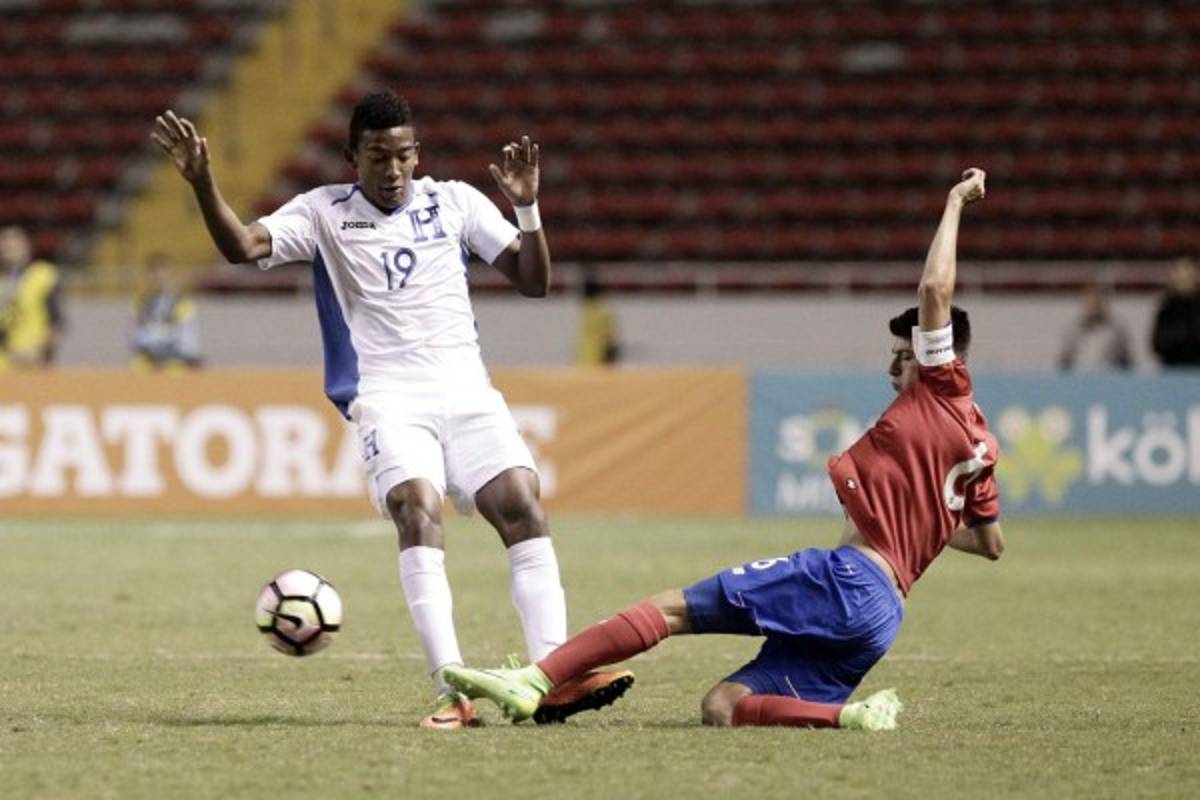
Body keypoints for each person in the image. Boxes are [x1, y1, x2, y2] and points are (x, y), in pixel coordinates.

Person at [445, 169, 1005, 731]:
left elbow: (935, 290)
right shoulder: (981, 443)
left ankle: (535, 680)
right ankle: (851, 717)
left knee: (671, 608)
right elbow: (989, 542)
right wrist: (925, 518)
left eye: (903, 355)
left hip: (846, 580)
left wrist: (956, 202)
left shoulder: (941, 385)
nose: (894, 364)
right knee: (723, 706)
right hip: (883, 615)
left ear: (936, 354)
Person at [151, 92, 629, 730]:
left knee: (523, 505)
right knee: (416, 509)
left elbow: (533, 280)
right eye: (378, 156)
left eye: (404, 155)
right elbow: (242, 247)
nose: (393, 169)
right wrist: (205, 183)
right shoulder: (323, 212)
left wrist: (527, 205)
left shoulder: (455, 201)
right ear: (353, 158)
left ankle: (551, 676)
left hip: (466, 390)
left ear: (417, 155)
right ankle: (449, 690)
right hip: (388, 395)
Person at [0, 225, 65, 370]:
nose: (8, 252)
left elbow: (57, 322)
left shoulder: (43, 275)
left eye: (13, 246)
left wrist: (42, 353)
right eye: (4, 248)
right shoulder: (2, 281)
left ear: (26, 246)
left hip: (33, 361)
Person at [130, 252, 203, 370]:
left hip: (175, 359)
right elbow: (135, 334)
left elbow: (187, 334)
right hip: (149, 359)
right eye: (154, 273)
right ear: (148, 276)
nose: (158, 278)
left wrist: (188, 355)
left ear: (171, 275)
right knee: (137, 366)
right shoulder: (140, 302)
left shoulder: (182, 303)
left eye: (163, 273)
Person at [1057, 282, 1132, 371]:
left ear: (1103, 303)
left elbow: (1127, 362)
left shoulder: (1116, 331)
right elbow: (1064, 361)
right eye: (1089, 301)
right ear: (1084, 303)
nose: (1093, 305)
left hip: (1109, 380)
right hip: (1079, 380)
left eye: (1097, 302)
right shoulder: (1074, 330)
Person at [1151, 257, 1200, 368]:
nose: (1184, 280)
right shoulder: (1167, 310)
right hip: (1173, 371)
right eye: (1180, 275)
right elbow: (1157, 344)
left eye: (1188, 276)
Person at [575, 267, 620, 365]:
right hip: (587, 363)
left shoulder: (599, 310)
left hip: (594, 363)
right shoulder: (591, 308)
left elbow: (611, 342)